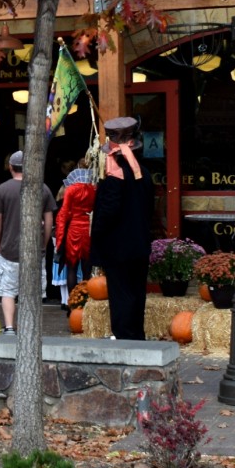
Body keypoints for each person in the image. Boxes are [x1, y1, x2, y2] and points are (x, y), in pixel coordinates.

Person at [90, 117, 154, 340]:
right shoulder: (144, 174)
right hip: (140, 244)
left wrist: (96, 235)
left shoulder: (114, 177)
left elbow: (108, 211)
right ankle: (136, 336)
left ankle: (126, 339)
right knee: (137, 294)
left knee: (121, 294)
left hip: (117, 246)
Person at [0, 150, 57, 335]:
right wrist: (44, 244)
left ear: (10, 167)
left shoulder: (2, 189)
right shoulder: (42, 188)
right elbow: (49, 221)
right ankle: (29, 328)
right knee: (32, 293)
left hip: (8, 249)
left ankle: (10, 327)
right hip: (35, 250)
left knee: (8, 291)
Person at [53, 162, 96, 310]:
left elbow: (64, 213)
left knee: (71, 267)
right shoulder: (93, 189)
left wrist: (59, 236)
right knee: (86, 269)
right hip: (88, 230)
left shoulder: (70, 190)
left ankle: (73, 304)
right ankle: (87, 303)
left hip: (73, 230)